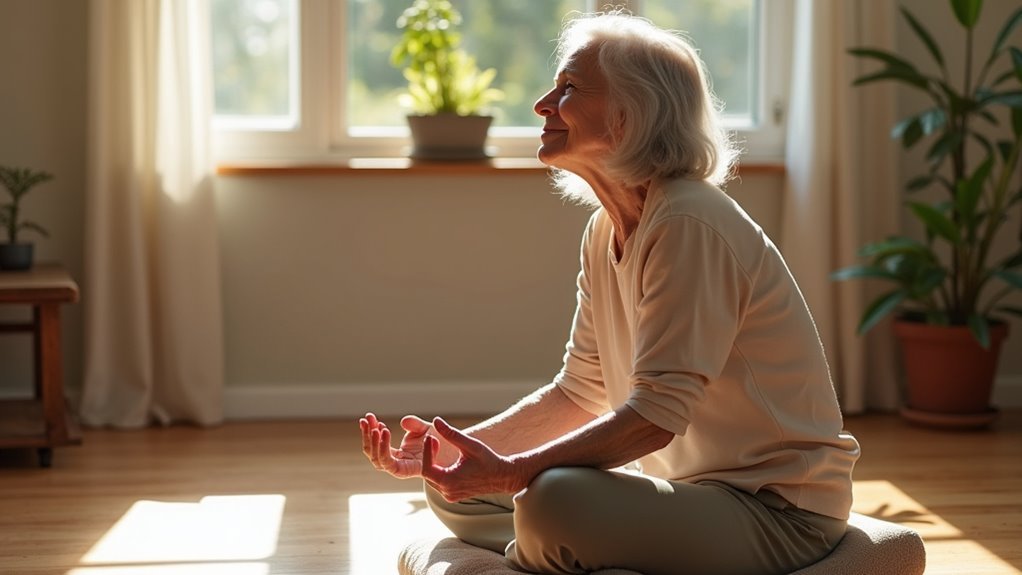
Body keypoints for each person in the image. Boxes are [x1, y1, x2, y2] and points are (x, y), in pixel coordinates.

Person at [360, 11, 859, 575]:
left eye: (569, 88)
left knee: (551, 498)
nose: (543, 104)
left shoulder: (688, 221)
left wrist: (515, 471)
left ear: (630, 115)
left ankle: (554, 542)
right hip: (689, 497)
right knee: (454, 488)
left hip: (777, 512)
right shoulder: (605, 229)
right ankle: (562, 545)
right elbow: (580, 391)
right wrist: (455, 450)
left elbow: (656, 416)